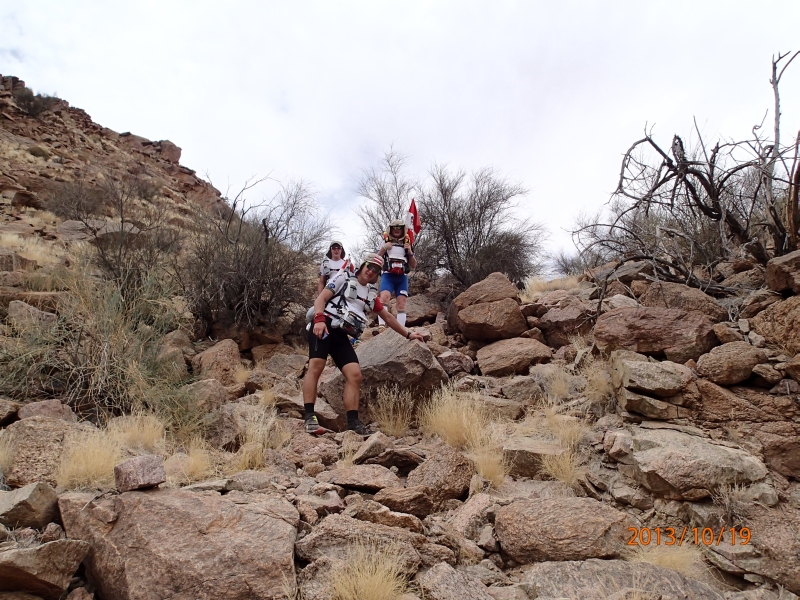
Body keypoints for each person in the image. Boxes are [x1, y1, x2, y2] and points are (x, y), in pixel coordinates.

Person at [303, 252, 426, 435]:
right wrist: (319, 319)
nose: (371, 271)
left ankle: (353, 423)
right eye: (370, 266)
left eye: (376, 270)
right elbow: (320, 299)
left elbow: (388, 317)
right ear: (363, 266)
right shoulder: (343, 278)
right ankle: (309, 417)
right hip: (324, 324)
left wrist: (408, 334)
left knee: (355, 375)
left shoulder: (370, 294)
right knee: (316, 367)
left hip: (340, 334)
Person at [376, 219, 417, 330]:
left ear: (403, 229)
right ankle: (381, 326)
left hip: (402, 277)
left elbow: (413, 265)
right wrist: (384, 248)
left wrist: (410, 252)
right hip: (388, 275)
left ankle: (401, 329)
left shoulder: (407, 243)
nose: (397, 230)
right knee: (384, 298)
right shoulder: (385, 241)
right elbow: (377, 258)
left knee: (401, 303)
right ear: (391, 229)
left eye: (399, 227)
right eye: (394, 227)